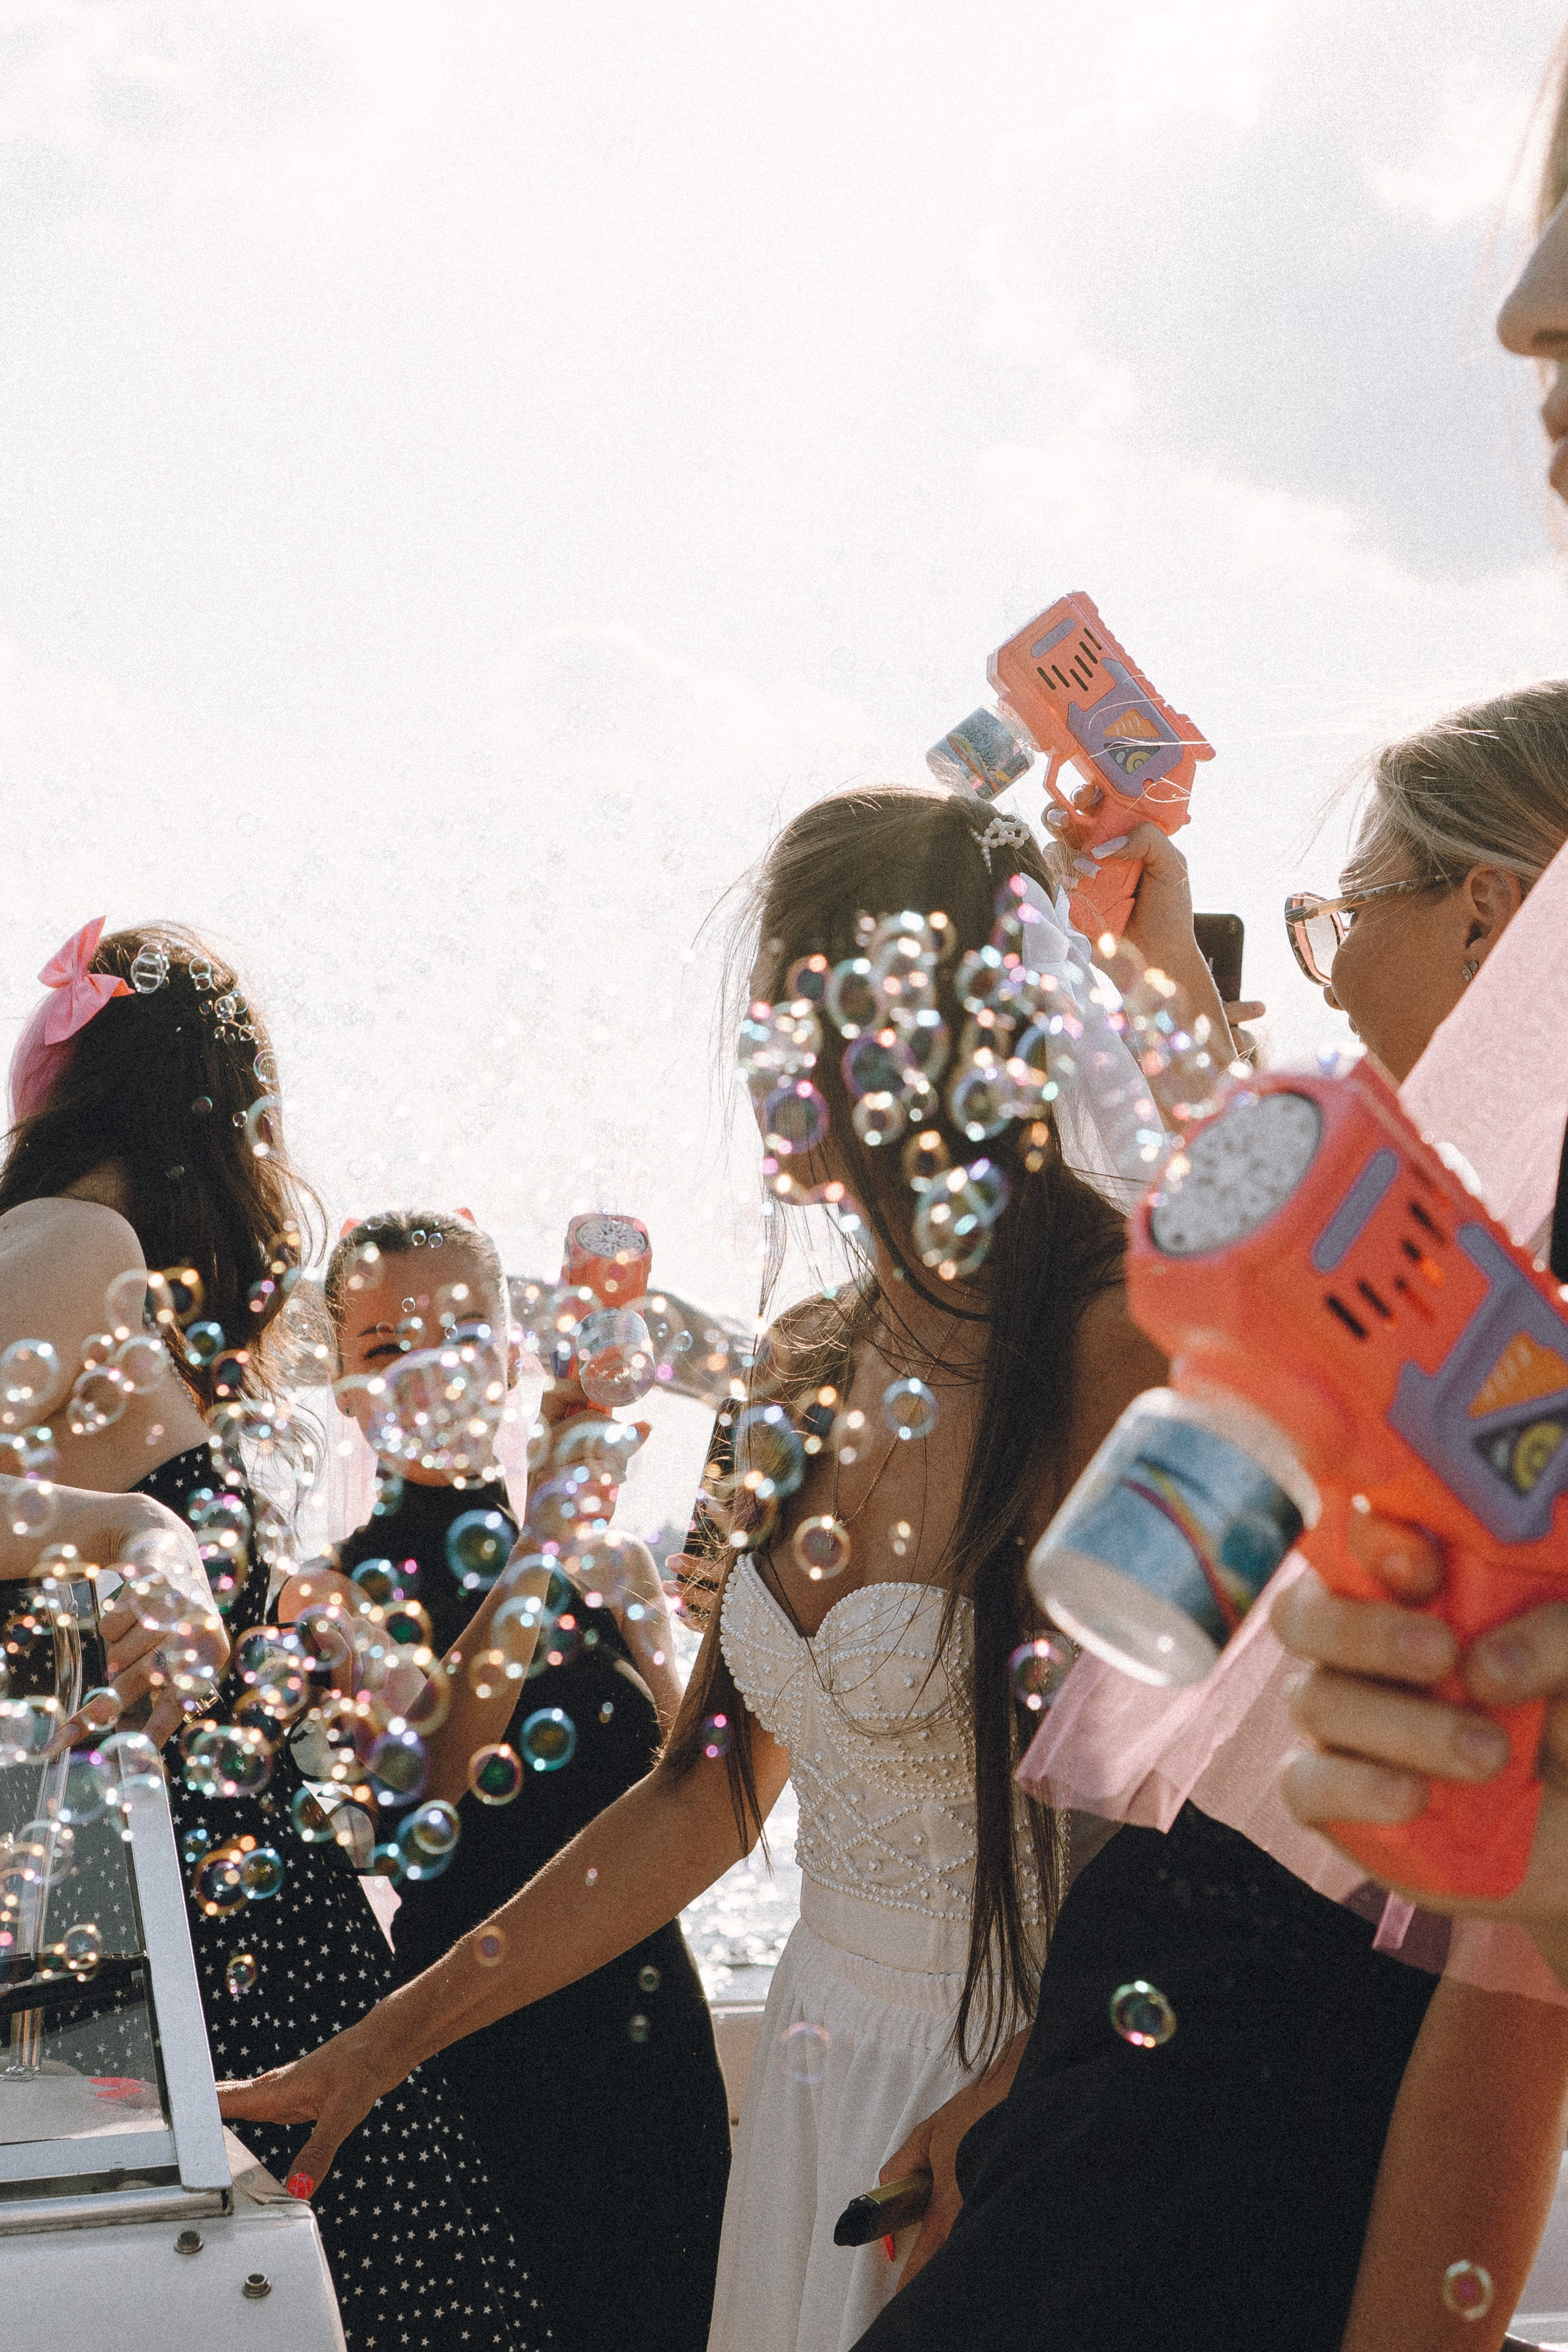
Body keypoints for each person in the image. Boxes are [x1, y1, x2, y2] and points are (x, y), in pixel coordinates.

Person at [218, 780, 1204, 2352]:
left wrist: (1013, 2104)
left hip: (1015, 2096)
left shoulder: (1113, 1342)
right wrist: (382, 2043)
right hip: (819, 2069)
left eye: (794, 1006)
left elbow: (1201, 1824)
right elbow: (708, 1794)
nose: (764, 1063)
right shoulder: (803, 1360)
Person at [841, 679, 1568, 2352]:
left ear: (1487, 917)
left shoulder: (1519, 1341)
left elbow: (1511, 1988)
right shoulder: (1433, 1264)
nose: (1324, 965)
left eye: (1339, 914)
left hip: (1234, 2175)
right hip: (1132, 2105)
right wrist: (1032, 2083)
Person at [0, 918, 544, 2352]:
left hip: (218, 1930)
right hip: (172, 1945)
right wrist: (139, 1531)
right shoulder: (75, 1240)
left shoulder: (129, 1284)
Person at [318, 1205, 731, 2352]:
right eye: (381, 1349)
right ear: (346, 1390)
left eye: (459, 1332)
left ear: (511, 1353)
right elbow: (436, 1780)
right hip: (469, 2056)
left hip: (648, 2049)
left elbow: (704, 1786)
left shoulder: (602, 1555)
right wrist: (543, 1540)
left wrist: (728, 1557)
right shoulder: (332, 1590)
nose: (425, 1371)